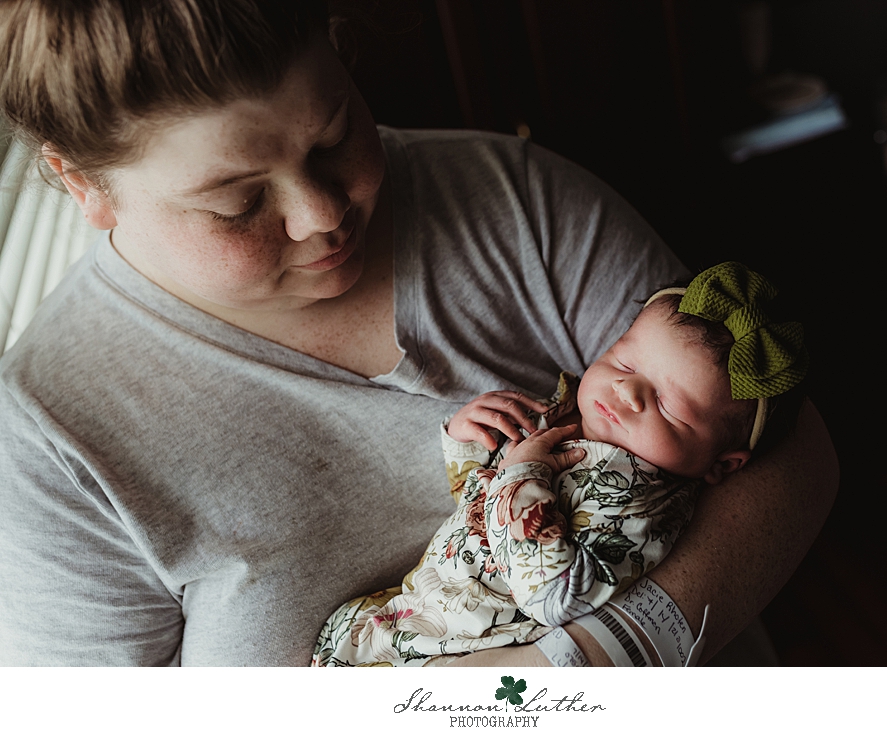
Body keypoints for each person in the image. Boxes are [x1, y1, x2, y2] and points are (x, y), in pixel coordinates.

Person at [0, 0, 838, 667]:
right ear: (83, 184)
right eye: (237, 202)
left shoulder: (520, 202)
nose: (323, 213)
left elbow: (789, 449)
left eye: (334, 136)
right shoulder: (49, 438)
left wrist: (568, 673)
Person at [313, 262, 808, 667]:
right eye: (624, 362)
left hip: (452, 658)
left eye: (667, 405)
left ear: (721, 465)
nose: (627, 391)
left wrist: (522, 474)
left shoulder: (641, 506)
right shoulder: (561, 419)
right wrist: (469, 442)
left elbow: (553, 595)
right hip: (393, 621)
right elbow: (478, 513)